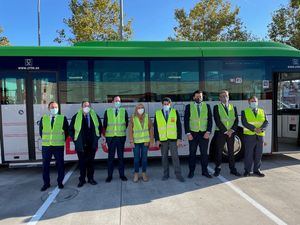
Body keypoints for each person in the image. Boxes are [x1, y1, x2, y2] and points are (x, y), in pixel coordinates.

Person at [69, 101, 102, 187]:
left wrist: (96, 138)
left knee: (91, 163)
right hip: (81, 144)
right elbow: (71, 130)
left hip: (92, 144)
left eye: (88, 106)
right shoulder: (76, 117)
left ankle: (91, 178)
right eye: (85, 105)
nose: (86, 107)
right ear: (81, 107)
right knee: (82, 163)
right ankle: (82, 180)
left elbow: (100, 128)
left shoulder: (95, 116)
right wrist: (75, 140)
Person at [39, 101, 69, 191]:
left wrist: (60, 139)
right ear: (48, 109)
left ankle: (60, 182)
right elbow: (41, 132)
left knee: (60, 165)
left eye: (56, 107)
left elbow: (66, 132)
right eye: (52, 107)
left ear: (58, 109)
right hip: (46, 146)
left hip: (58, 146)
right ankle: (46, 183)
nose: (54, 109)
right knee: (45, 166)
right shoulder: (43, 118)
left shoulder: (63, 118)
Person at [154, 97, 185, 182]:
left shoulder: (175, 112)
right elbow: (156, 128)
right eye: (164, 104)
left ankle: (178, 175)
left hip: (173, 140)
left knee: (175, 158)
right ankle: (166, 175)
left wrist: (179, 138)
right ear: (162, 104)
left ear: (170, 104)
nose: (166, 105)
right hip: (163, 140)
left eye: (167, 104)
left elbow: (179, 126)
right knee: (164, 158)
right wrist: (157, 139)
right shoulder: (158, 113)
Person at [184, 90, 213, 179]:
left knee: (204, 154)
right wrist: (188, 133)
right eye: (197, 96)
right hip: (193, 133)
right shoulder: (189, 106)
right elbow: (186, 121)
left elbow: (210, 120)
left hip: (204, 134)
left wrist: (208, 132)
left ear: (202, 97)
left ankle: (205, 171)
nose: (198, 98)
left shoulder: (207, 106)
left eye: (200, 96)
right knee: (192, 153)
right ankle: (191, 171)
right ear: (193, 97)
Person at [213, 90, 241, 177]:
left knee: (231, 152)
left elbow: (236, 120)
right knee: (219, 151)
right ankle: (217, 169)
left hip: (231, 133)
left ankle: (233, 169)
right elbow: (217, 121)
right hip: (220, 132)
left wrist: (231, 130)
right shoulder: (216, 107)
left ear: (228, 97)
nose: (224, 98)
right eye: (222, 96)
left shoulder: (233, 107)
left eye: (226, 96)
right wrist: (226, 131)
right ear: (219, 98)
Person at [103, 96, 129, 182]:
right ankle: (109, 176)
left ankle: (122, 175)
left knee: (121, 158)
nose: (118, 102)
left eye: (119, 101)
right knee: (110, 158)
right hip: (111, 138)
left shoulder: (124, 111)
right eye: (116, 101)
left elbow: (126, 124)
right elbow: (105, 125)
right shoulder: (107, 112)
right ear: (112, 102)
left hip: (120, 137)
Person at [241, 96, 269, 177]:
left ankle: (257, 170)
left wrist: (262, 129)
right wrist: (254, 129)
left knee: (258, 154)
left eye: (255, 101)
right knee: (248, 154)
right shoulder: (244, 111)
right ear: (249, 102)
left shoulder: (262, 111)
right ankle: (247, 170)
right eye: (252, 101)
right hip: (249, 136)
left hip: (260, 136)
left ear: (257, 102)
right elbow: (244, 122)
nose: (254, 103)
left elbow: (266, 122)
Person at [128, 103, 154, 182]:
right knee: (136, 159)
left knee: (144, 159)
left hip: (145, 142)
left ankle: (143, 173)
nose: (140, 109)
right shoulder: (133, 117)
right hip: (136, 142)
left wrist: (151, 140)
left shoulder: (146, 116)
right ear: (136, 109)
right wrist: (131, 141)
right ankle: (136, 173)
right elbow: (130, 130)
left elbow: (151, 128)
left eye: (142, 107)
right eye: (139, 108)